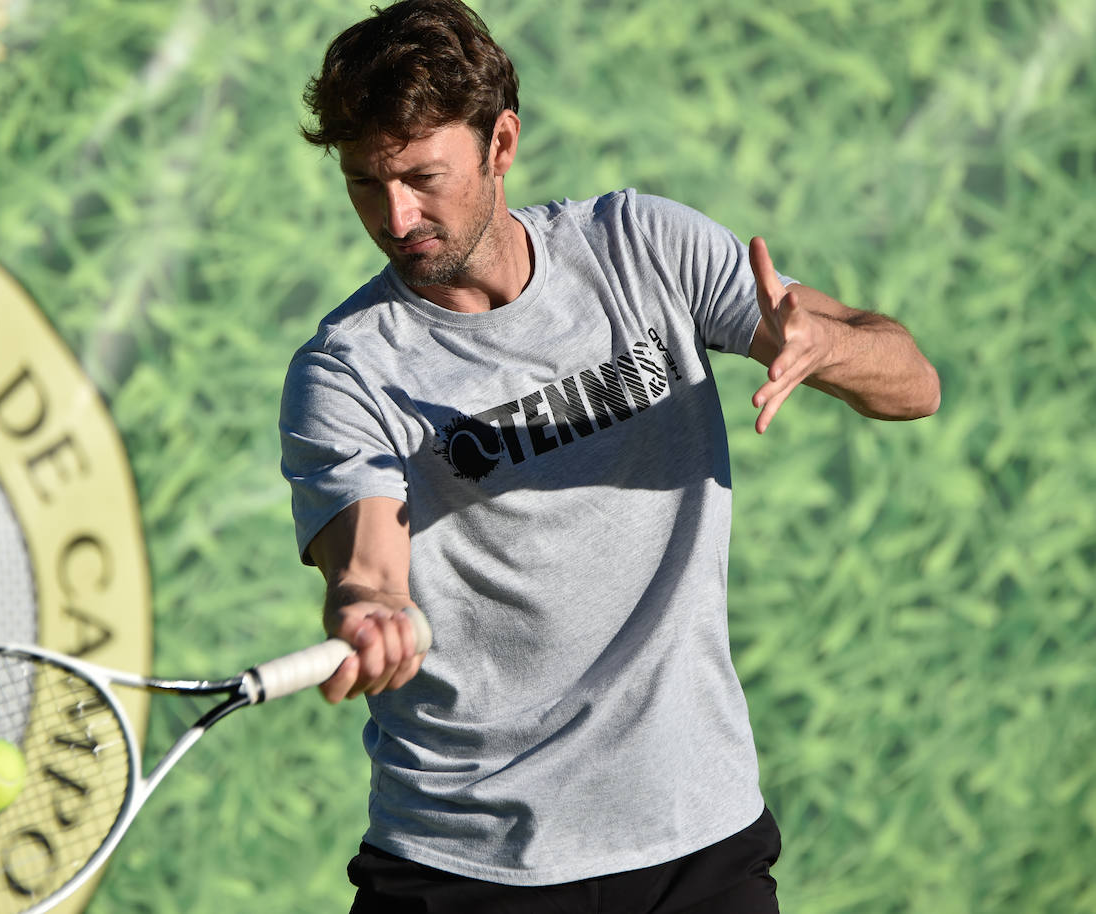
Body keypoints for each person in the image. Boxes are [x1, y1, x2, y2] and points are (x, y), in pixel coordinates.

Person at [279, 1, 940, 911]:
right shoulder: (345, 369)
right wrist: (370, 609)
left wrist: (832, 350)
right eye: (365, 182)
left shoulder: (643, 250)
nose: (396, 215)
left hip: (696, 842)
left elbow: (916, 382)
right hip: (468, 861)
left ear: (500, 144)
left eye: (423, 177)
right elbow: (368, 563)